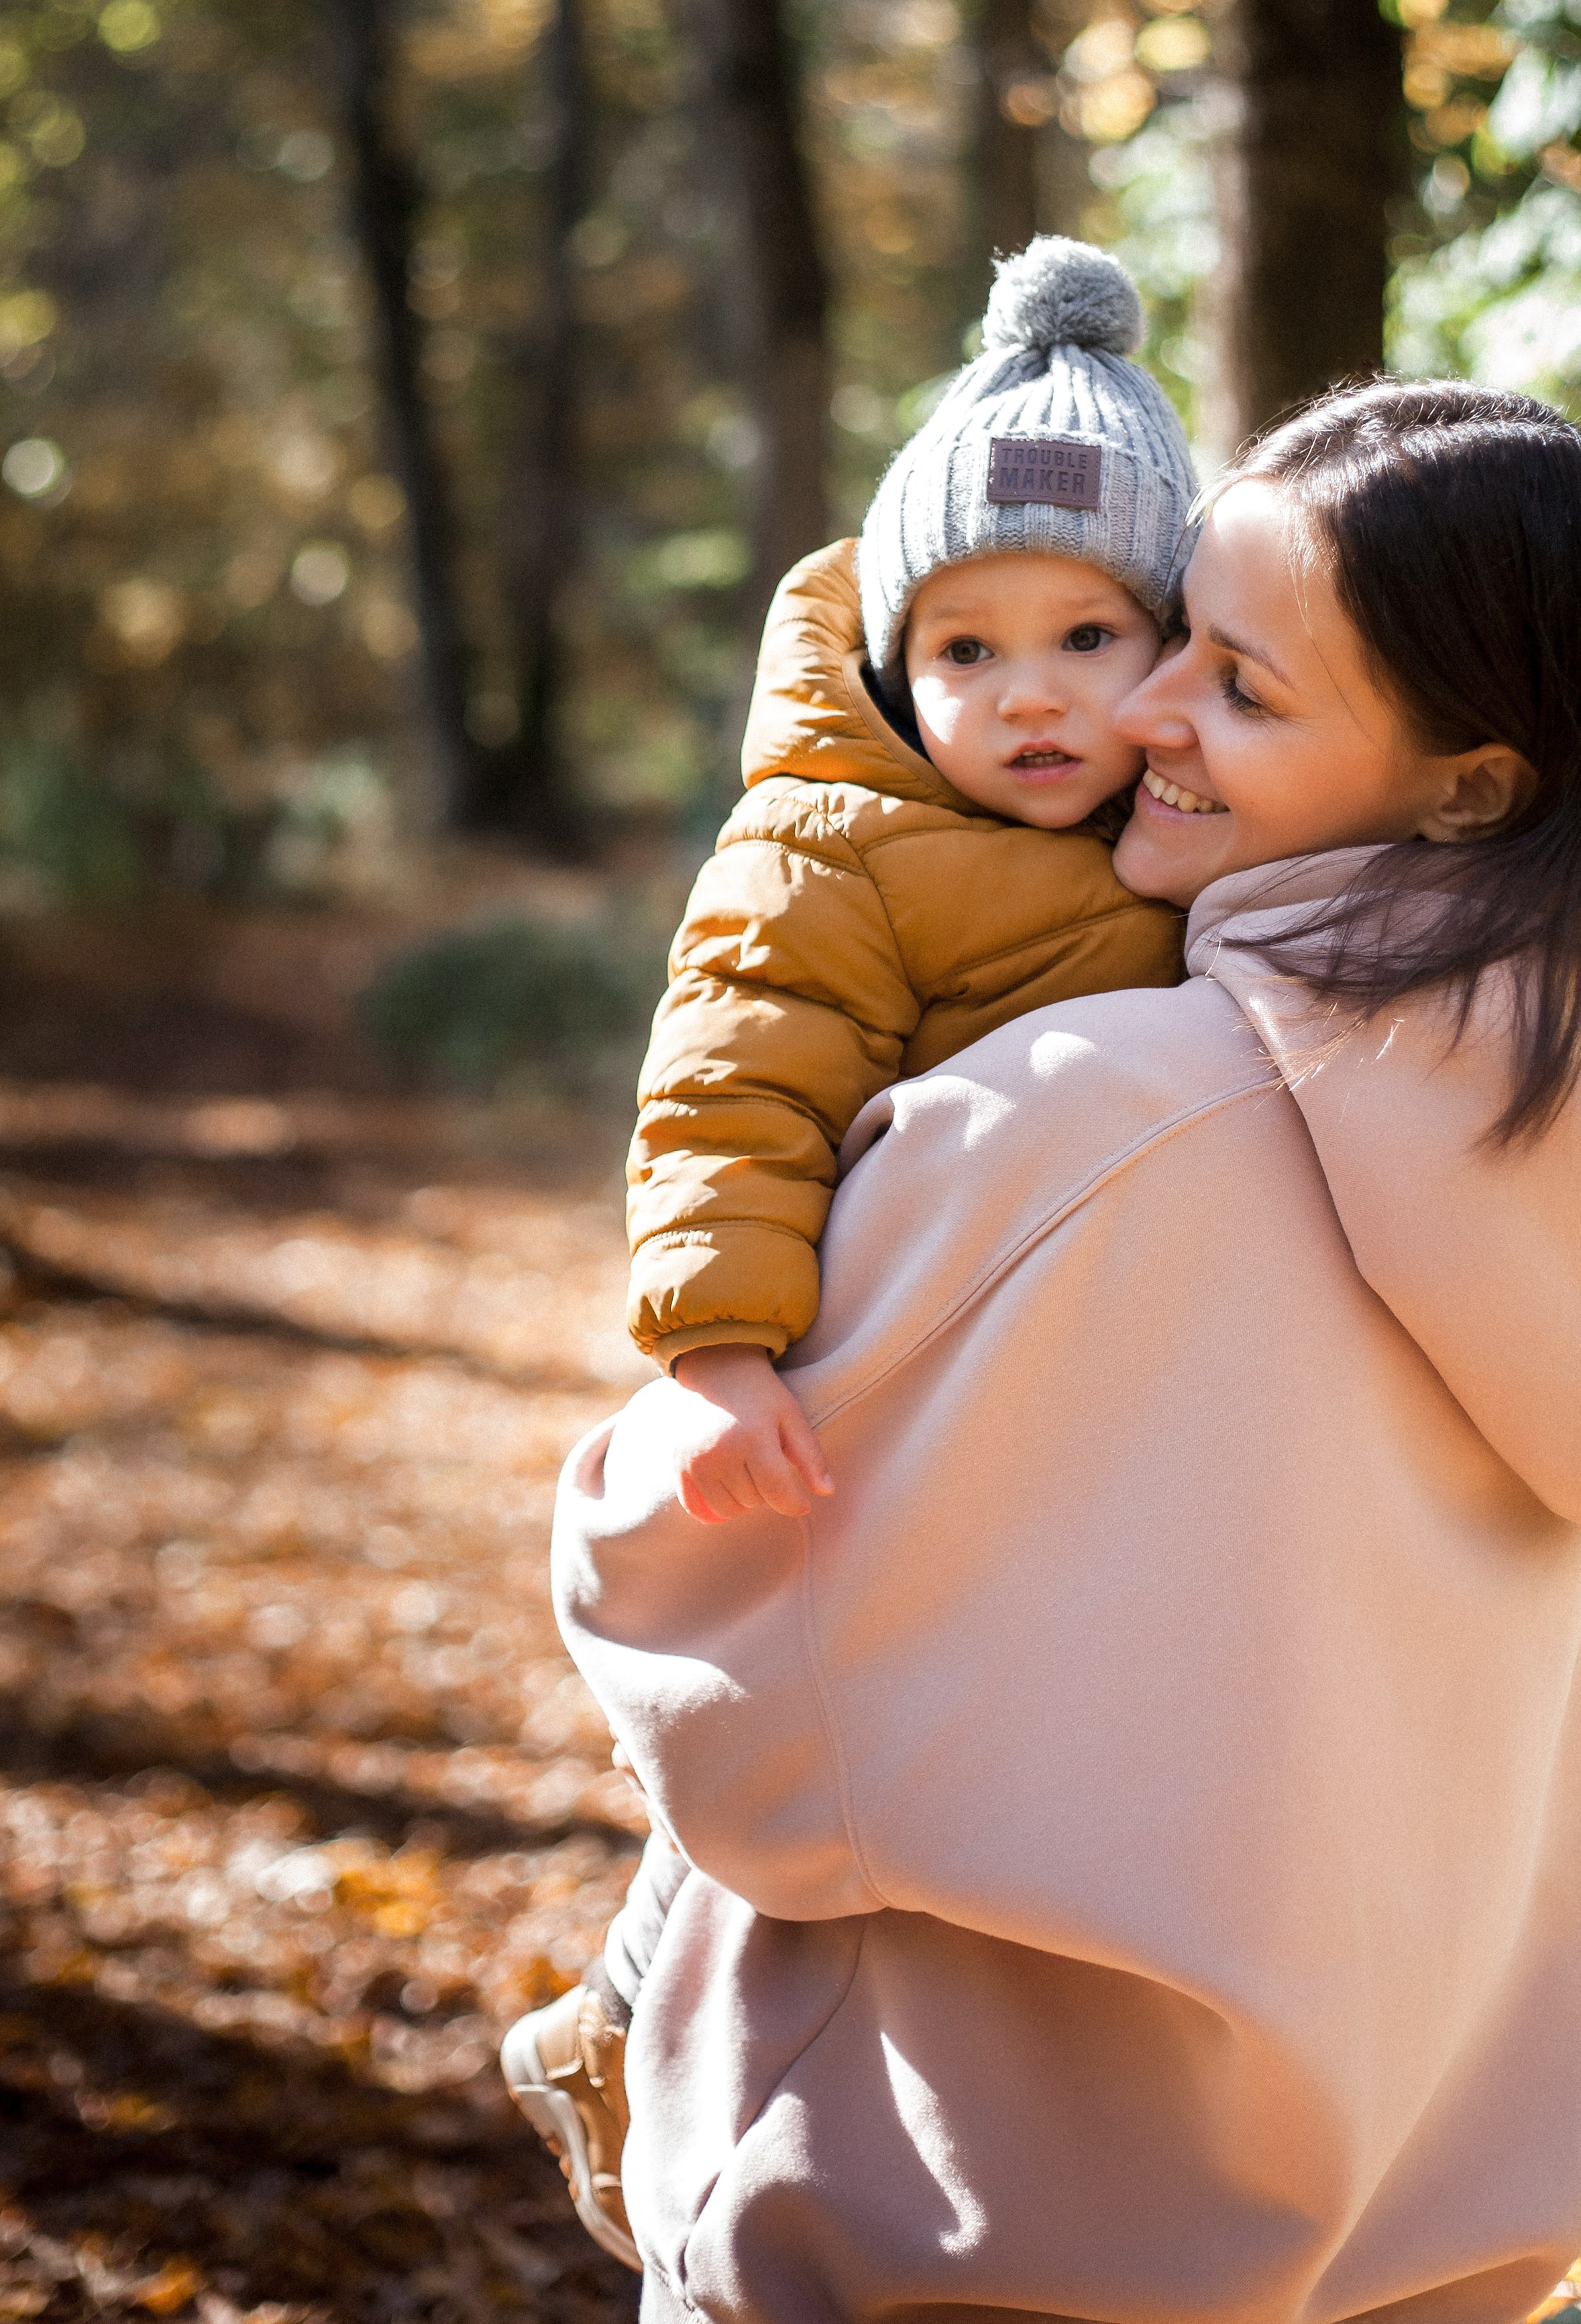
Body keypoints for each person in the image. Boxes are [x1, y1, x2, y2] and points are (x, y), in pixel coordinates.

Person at [544, 381, 1581, 2320]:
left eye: (1242, 688)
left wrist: (627, 1491)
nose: (1146, 711)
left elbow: (729, 1647)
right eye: (1174, 628)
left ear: (1472, 786)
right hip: (1406, 2225)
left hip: (972, 2214)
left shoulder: (1085, 1119)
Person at [498, 238, 1198, 2260]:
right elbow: (729, 1091)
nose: (1029, 694)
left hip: (1053, 1370)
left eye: (1087, 634)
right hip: (863, 1375)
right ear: (896, 663)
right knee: (803, 1737)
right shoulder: (834, 838)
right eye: (966, 652)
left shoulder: (1171, 830)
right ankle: (628, 2013)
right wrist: (718, 1347)